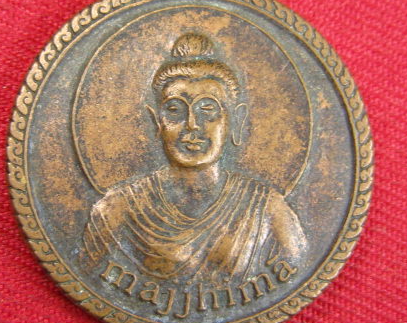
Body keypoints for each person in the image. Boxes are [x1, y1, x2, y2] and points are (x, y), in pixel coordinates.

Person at [83, 33, 307, 285]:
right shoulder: (117, 209)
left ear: (235, 120)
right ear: (157, 122)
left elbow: (295, 267)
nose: (191, 124)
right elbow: (88, 274)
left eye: (207, 109)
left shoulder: (267, 209)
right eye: (175, 110)